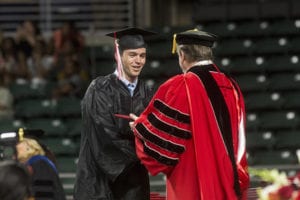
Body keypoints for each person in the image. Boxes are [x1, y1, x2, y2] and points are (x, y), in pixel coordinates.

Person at [129, 28, 250, 200]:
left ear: (183, 56)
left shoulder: (182, 85)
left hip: (194, 181)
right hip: (229, 178)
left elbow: (161, 144)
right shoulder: (232, 86)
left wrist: (139, 127)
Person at [74, 27, 155, 200]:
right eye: (132, 55)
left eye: (142, 55)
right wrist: (143, 151)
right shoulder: (99, 89)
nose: (138, 61)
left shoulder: (148, 93)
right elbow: (105, 137)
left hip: (135, 186)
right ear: (118, 55)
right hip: (98, 183)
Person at [16, 128, 66, 200]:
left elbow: (43, 194)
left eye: (19, 144)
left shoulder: (40, 164)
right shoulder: (33, 163)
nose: (16, 147)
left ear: (29, 147)